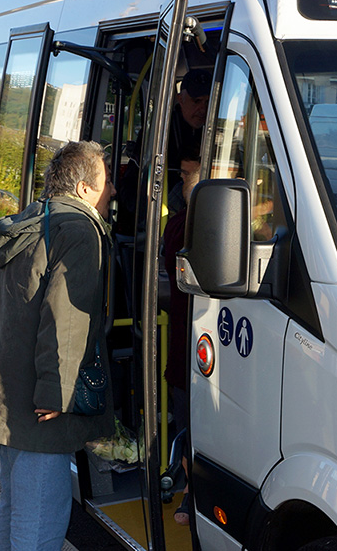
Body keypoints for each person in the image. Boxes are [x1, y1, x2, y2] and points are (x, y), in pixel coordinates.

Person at [0, 140, 116, 551]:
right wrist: (58, 394)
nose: (114, 192)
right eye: (107, 182)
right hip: (41, 406)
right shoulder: (80, 231)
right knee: (40, 524)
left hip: (7, 390)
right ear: (84, 189)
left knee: (14, 510)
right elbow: (66, 320)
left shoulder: (34, 220)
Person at [161, 146, 200, 526]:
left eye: (190, 176)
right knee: (188, 423)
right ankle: (188, 493)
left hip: (204, 348)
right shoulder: (183, 223)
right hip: (187, 349)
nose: (183, 183)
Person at [167, 69, 211, 215]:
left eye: (208, 101)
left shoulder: (216, 131)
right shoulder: (163, 132)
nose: (203, 109)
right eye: (196, 101)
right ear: (180, 99)